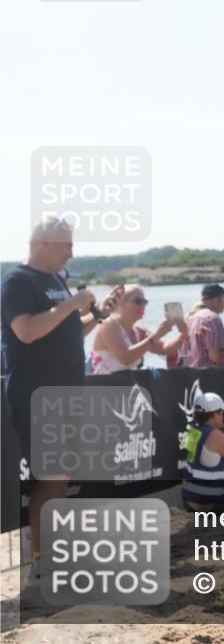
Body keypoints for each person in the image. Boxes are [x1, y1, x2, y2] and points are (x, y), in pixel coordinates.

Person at [0, 217, 122, 585]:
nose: (72, 251)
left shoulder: (56, 280)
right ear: (44, 244)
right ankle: (44, 563)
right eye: (67, 244)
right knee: (52, 477)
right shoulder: (18, 281)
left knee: (58, 478)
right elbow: (27, 332)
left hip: (65, 391)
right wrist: (72, 304)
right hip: (37, 394)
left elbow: (68, 334)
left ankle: (50, 558)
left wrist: (97, 314)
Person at [90, 285, 188, 373]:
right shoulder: (108, 325)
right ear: (121, 303)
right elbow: (125, 358)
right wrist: (158, 334)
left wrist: (183, 334)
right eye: (138, 301)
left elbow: (165, 349)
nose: (142, 306)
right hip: (105, 388)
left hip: (125, 387)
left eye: (144, 302)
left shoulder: (138, 331)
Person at [179, 284, 224, 368]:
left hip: (189, 376)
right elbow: (216, 356)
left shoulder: (188, 319)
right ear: (219, 299)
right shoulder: (212, 319)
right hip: (209, 377)